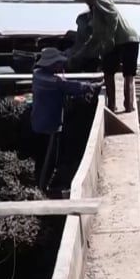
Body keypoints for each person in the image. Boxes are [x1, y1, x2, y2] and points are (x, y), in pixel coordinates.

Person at [30, 47, 100, 190]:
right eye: (58, 63)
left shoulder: (37, 74)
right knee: (49, 158)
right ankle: (41, 187)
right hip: (49, 125)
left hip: (37, 122)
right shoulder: (53, 81)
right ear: (50, 64)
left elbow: (63, 83)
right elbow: (71, 87)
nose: (61, 66)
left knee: (41, 156)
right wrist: (92, 85)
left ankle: (40, 182)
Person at [71, 0, 140, 112]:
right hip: (130, 39)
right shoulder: (96, 13)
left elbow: (112, 16)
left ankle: (121, 106)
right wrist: (79, 55)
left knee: (114, 74)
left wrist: (109, 39)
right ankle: (119, 106)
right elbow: (94, 39)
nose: (85, 0)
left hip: (123, 40)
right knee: (122, 74)